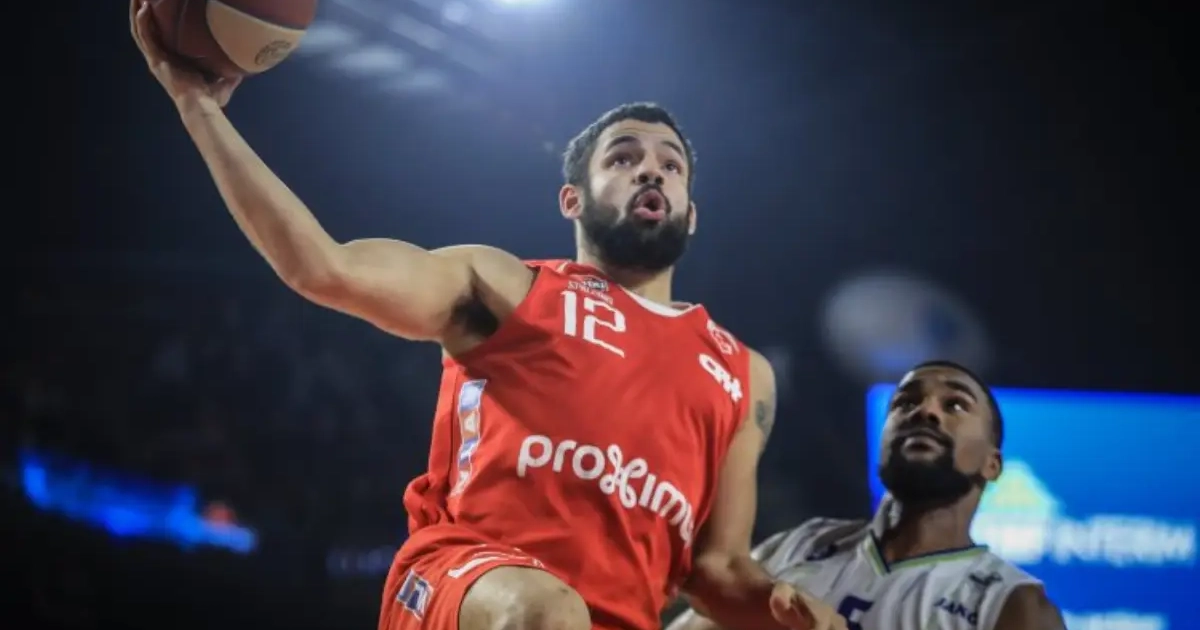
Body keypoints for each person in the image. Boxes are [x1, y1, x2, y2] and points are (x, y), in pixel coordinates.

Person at [128, 3, 847, 630]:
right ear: (572, 201)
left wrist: (783, 605)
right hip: (467, 583)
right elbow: (324, 268)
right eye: (623, 158)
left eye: (671, 165)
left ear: (691, 214)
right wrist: (198, 107)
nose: (651, 169)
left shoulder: (743, 375)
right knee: (548, 612)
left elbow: (717, 569)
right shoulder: (504, 284)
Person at [667, 361, 1067, 630]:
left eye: (956, 405)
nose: (925, 411)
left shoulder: (1013, 605)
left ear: (992, 464)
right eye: (905, 402)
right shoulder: (802, 543)